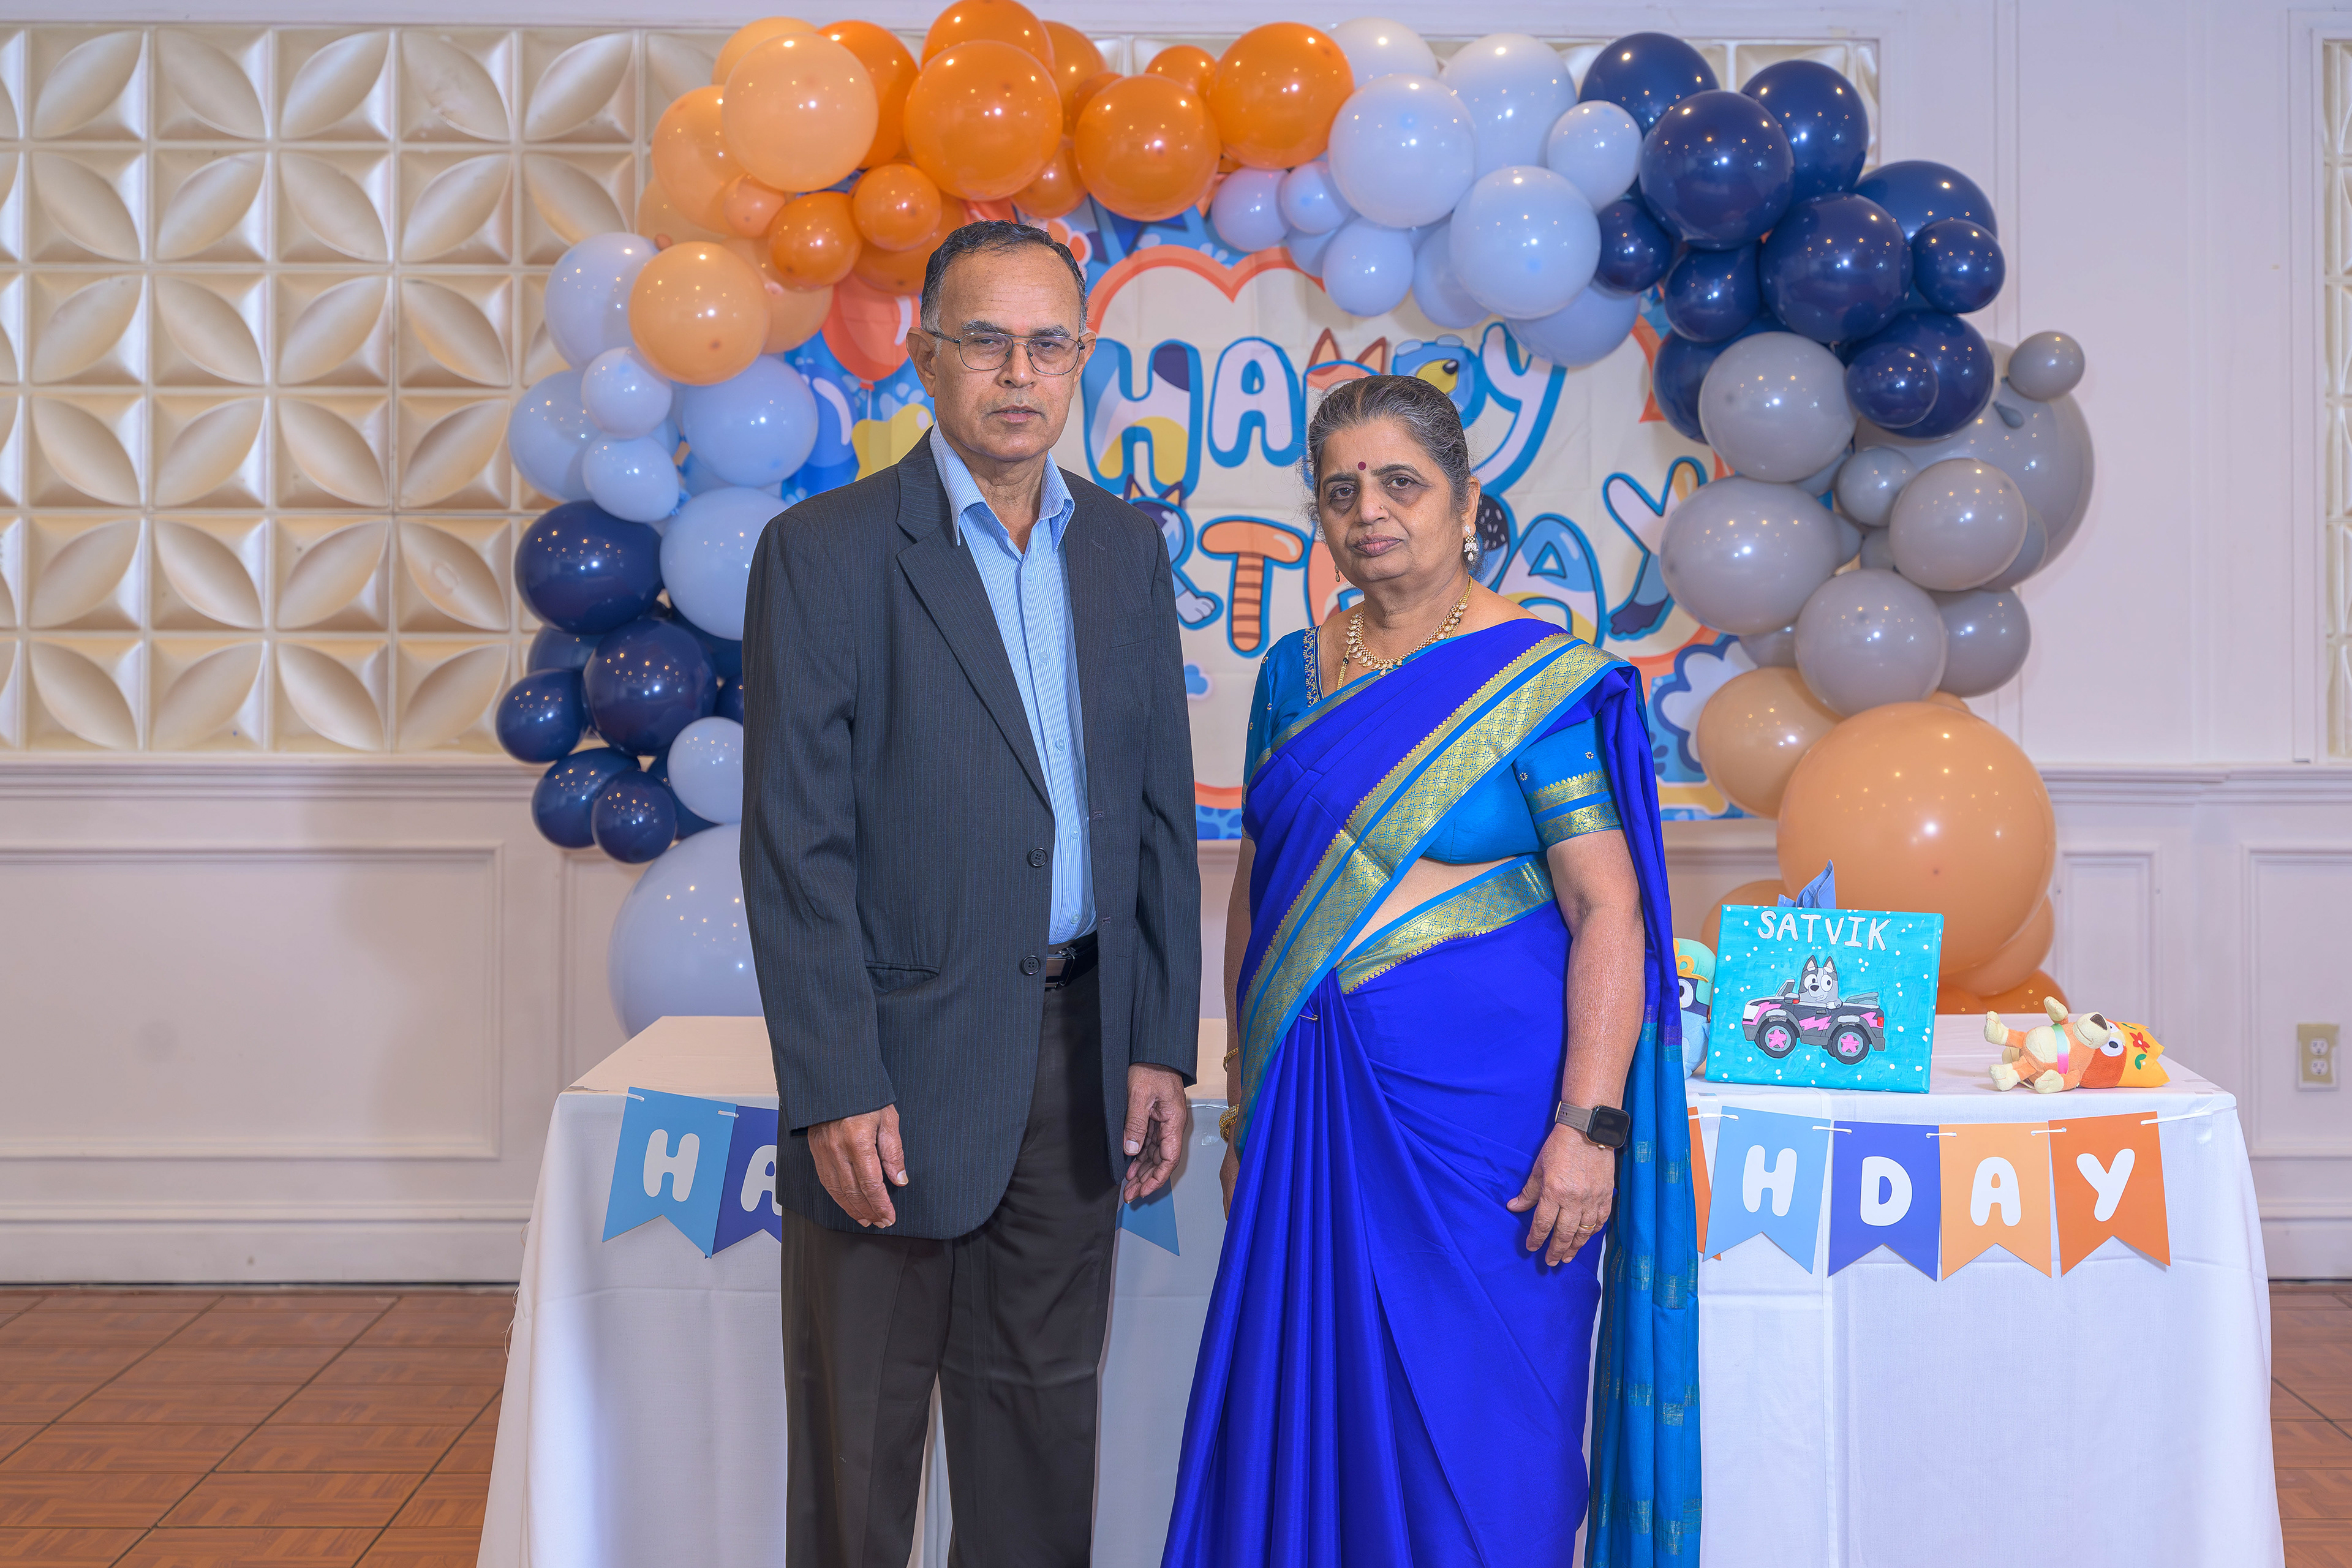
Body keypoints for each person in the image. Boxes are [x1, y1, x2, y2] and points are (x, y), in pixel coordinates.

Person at [1159, 375, 1700, 1567]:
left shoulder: (1534, 679)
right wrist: (1243, 1106)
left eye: (1401, 482)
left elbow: (1607, 908)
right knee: (1312, 1418)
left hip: (1492, 1135)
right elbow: (1260, 894)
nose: (1370, 511)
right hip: (1312, 1109)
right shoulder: (1294, 673)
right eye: (1340, 490)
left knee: (1491, 1447)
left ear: (1466, 501)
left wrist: (1588, 1128)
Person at [739, 221, 1201, 1567]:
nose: (1019, 374)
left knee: (1040, 1452)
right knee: (859, 1465)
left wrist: (1158, 1044)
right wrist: (834, 1082)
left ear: (1083, 360)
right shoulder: (823, 551)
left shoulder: (1123, 549)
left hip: (1080, 1061)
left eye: (1049, 345)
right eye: (986, 341)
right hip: (892, 1069)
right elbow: (796, 846)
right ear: (925, 356)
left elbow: (1158, 818)